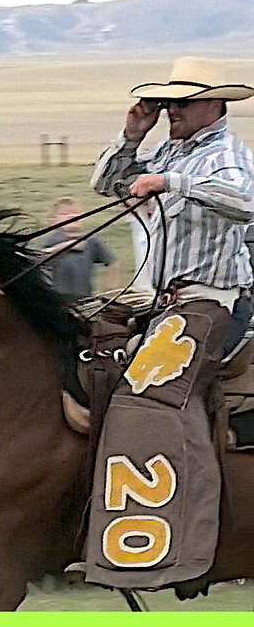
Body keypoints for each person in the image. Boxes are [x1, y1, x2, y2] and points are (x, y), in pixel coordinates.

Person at [85, 56, 254, 589]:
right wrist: (133, 136)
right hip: (158, 302)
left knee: (148, 397)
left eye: (181, 102)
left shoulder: (227, 154)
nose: (170, 110)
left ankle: (179, 541)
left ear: (214, 105)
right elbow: (105, 184)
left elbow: (245, 201)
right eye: (167, 102)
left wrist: (171, 181)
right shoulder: (166, 150)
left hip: (210, 302)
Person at [41, 197, 118, 303]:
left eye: (75, 212)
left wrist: (110, 289)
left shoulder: (91, 241)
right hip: (59, 301)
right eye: (65, 213)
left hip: (85, 299)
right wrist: (68, 245)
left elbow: (112, 262)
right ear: (54, 221)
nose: (72, 216)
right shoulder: (53, 239)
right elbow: (41, 257)